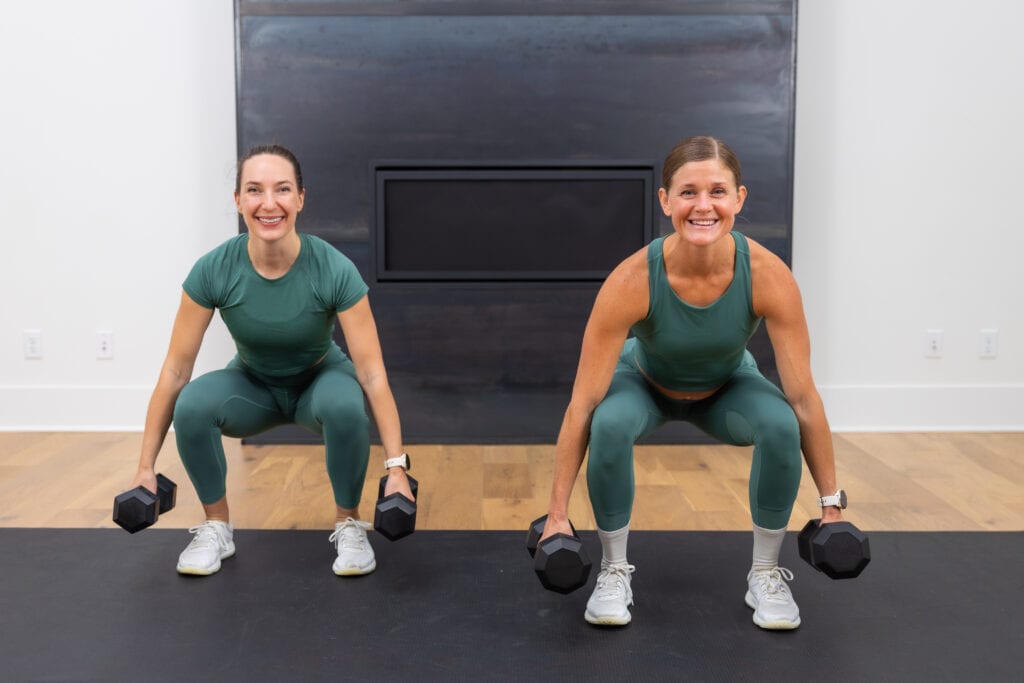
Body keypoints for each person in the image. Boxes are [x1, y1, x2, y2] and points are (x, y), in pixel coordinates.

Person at [540, 135, 846, 630]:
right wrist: (556, 513)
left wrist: (831, 505)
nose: (703, 206)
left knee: (782, 423)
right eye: (687, 192)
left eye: (718, 192)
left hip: (726, 386)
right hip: (643, 383)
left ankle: (765, 573)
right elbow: (582, 402)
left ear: (739, 199)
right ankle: (615, 569)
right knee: (609, 421)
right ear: (665, 201)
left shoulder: (768, 275)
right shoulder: (632, 279)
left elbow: (805, 398)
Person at [126, 144, 413, 577]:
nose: (269, 203)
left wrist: (396, 468)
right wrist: (145, 468)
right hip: (252, 385)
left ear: (300, 198)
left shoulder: (333, 269)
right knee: (194, 404)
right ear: (238, 201)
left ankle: (349, 523)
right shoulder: (214, 269)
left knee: (345, 402)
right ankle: (216, 526)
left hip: (320, 379)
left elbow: (371, 374)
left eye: (282, 189)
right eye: (254, 190)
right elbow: (176, 370)